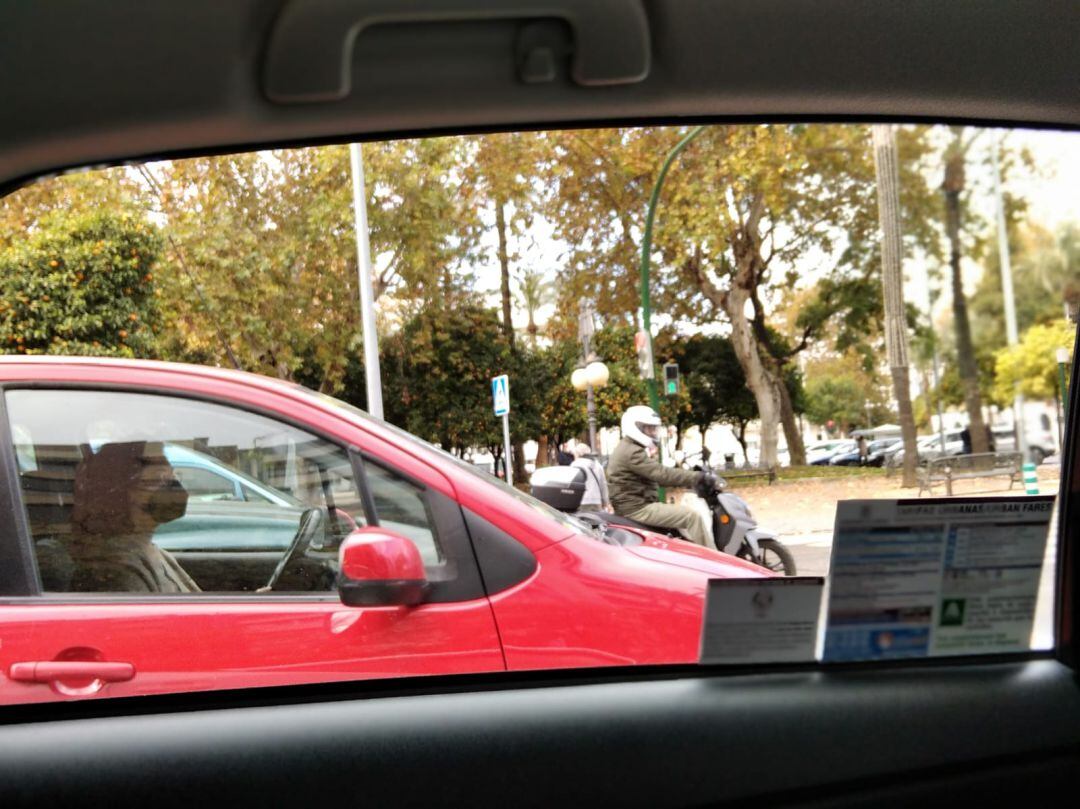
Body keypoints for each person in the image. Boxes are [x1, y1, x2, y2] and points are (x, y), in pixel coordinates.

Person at [60, 441, 200, 593]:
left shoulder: (152, 552)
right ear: (117, 493)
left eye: (171, 475)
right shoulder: (116, 573)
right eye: (156, 479)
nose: (173, 488)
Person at [606, 405, 716, 547]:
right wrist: (697, 477)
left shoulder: (629, 448)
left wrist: (687, 482)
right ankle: (714, 561)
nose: (652, 432)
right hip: (638, 509)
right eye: (648, 428)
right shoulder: (631, 452)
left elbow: (652, 477)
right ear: (635, 427)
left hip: (634, 506)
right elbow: (662, 474)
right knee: (692, 517)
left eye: (653, 428)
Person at [570, 442, 610, 512]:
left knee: (581, 522)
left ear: (578, 454)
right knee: (595, 521)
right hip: (596, 500)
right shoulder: (597, 465)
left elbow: (571, 484)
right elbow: (603, 485)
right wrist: (605, 502)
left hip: (581, 500)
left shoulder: (575, 465)